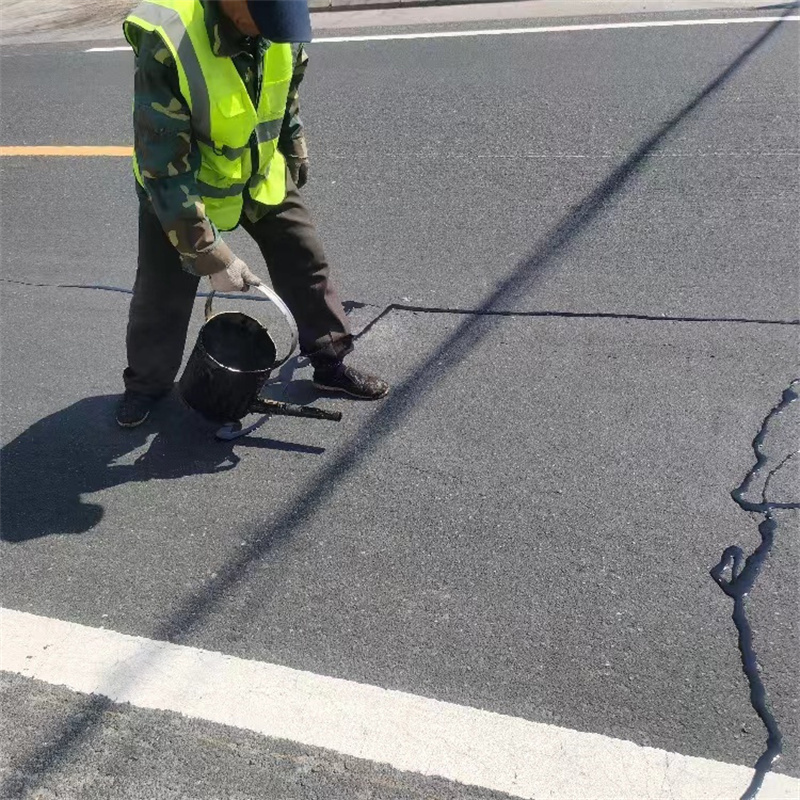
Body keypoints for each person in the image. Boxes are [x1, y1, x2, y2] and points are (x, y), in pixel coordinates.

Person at [117, 0, 389, 428]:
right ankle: (146, 386)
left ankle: (330, 361)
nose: (270, 31)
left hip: (257, 173)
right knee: (161, 294)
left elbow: (284, 91)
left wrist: (293, 142)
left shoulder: (277, 25)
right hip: (184, 187)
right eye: (262, 18)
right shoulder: (167, 36)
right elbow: (164, 168)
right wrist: (211, 256)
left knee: (305, 257)